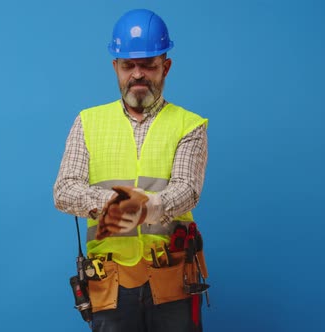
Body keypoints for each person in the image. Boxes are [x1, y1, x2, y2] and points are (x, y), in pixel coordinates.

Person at [54, 8, 209, 332]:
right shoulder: (88, 122)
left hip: (172, 280)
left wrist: (149, 207)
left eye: (148, 65)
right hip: (110, 284)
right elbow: (64, 190)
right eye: (129, 65)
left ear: (165, 67)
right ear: (116, 68)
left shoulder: (189, 125)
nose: (138, 74)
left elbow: (187, 189)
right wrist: (113, 202)